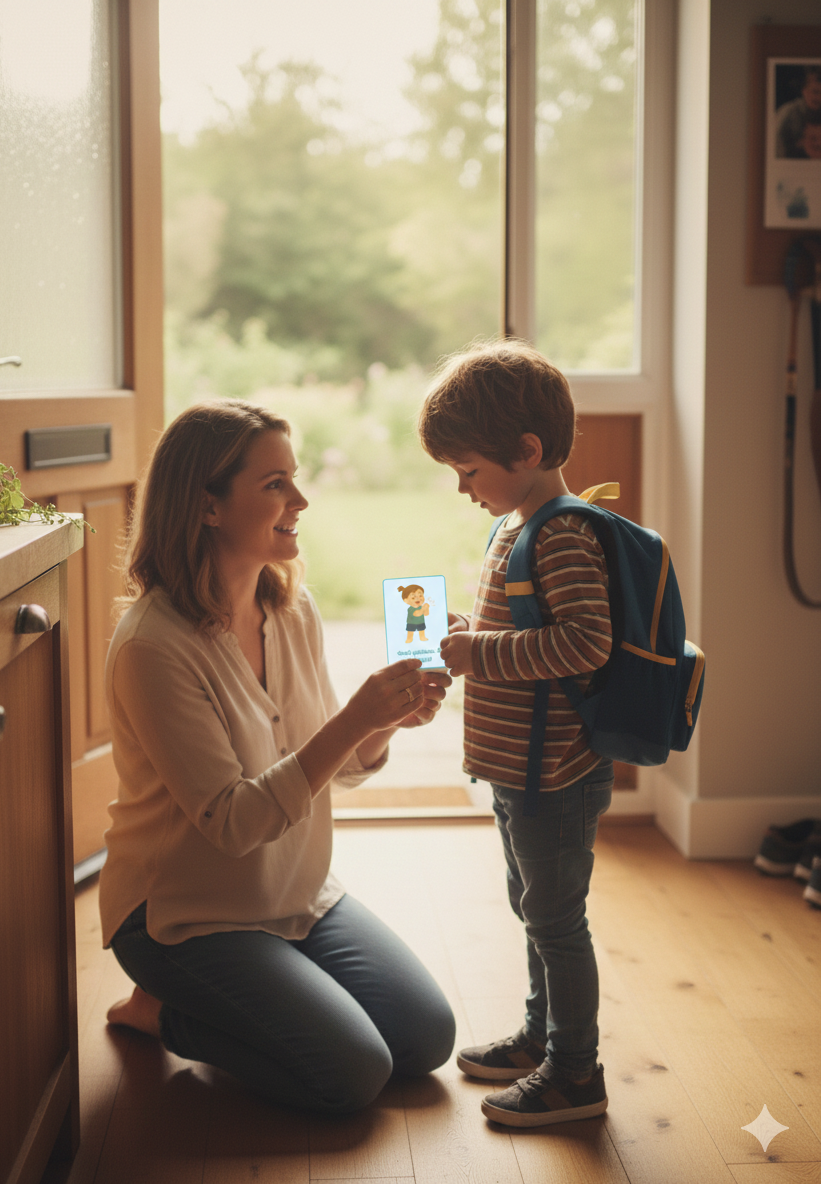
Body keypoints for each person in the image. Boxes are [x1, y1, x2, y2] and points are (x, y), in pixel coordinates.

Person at [100, 398, 456, 1115]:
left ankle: (271, 980)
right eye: (275, 484)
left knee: (425, 1041)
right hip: (182, 915)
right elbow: (233, 822)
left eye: (293, 478)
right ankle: (159, 1011)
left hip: (294, 894)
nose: (300, 499)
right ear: (207, 506)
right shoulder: (152, 647)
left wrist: (385, 724)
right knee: (352, 1074)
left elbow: (331, 767)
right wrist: (355, 716)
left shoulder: (292, 610)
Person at [417, 340, 613, 1129]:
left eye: (468, 470)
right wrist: (475, 633)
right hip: (519, 771)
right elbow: (531, 629)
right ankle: (542, 1035)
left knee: (558, 922)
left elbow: (585, 642)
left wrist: (479, 652)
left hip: (555, 774)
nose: (463, 488)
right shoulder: (516, 525)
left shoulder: (561, 532)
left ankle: (576, 1073)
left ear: (526, 452)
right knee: (534, 908)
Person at [776, 65, 821, 158]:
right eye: (815, 92)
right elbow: (777, 151)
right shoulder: (787, 113)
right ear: (804, 91)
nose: (819, 98)